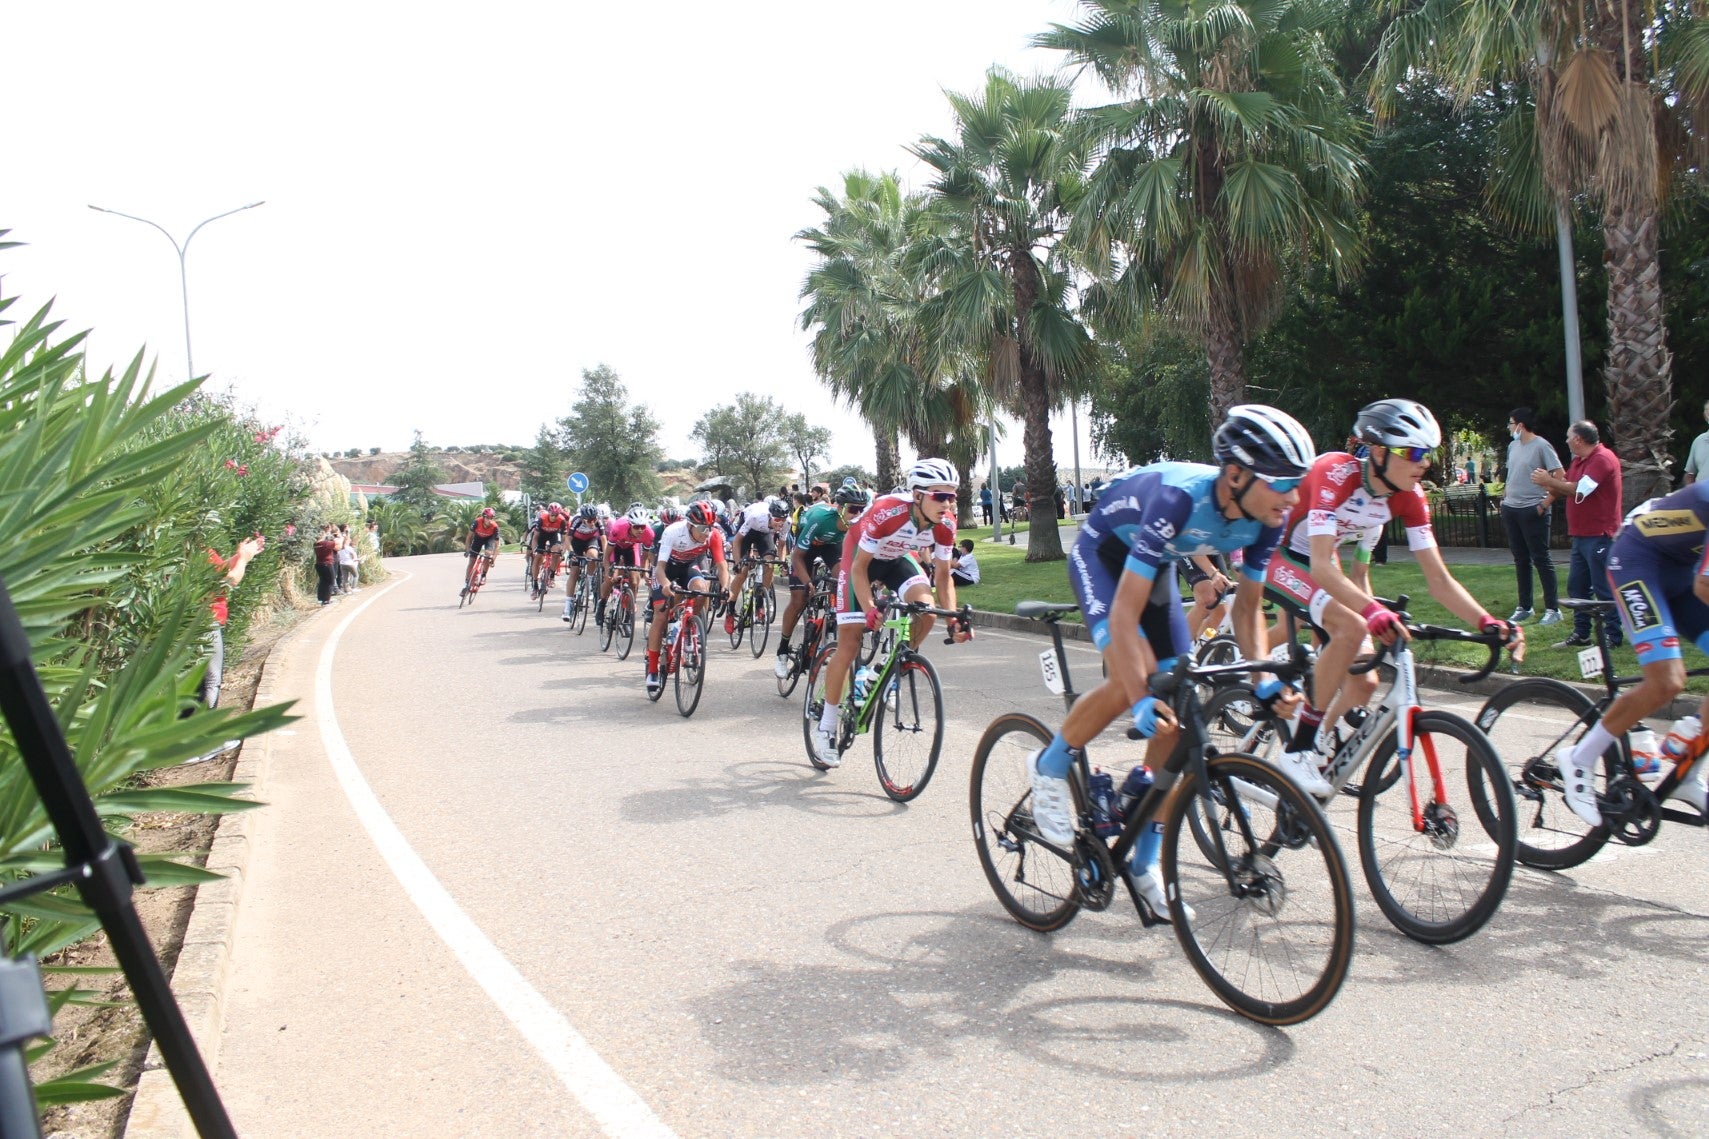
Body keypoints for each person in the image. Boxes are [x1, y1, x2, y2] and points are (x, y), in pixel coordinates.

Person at [1027, 405, 1314, 917]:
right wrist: (1139, 698)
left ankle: (1144, 861)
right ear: (1235, 475)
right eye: (1283, 482)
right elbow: (1122, 617)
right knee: (1130, 681)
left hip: (1153, 565)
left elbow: (1247, 607)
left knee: (1180, 713)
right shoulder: (1180, 500)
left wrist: (1263, 680)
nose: (1294, 496)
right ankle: (1049, 767)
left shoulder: (1269, 515)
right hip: (1103, 557)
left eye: (1299, 482)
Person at [1262, 400, 1522, 796]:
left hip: (1320, 559)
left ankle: (1314, 742)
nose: (1424, 464)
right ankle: (1296, 750)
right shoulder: (1337, 473)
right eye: (1414, 453)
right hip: (1278, 552)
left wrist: (1487, 622)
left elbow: (1438, 579)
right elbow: (1319, 566)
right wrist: (1371, 611)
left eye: (1428, 454)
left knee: (1364, 678)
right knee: (1351, 626)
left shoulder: (1409, 496)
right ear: (1379, 451)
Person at [1557, 482, 1709, 825]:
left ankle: (1687, 771)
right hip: (1638, 561)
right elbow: (1705, 586)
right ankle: (1579, 757)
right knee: (1666, 682)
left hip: (1682, 572)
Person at [811, 459, 973, 767]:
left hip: (897, 559)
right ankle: (827, 727)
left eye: (953, 495)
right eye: (940, 495)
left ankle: (882, 670)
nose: (948, 503)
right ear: (917, 495)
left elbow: (942, 576)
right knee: (850, 640)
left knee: (925, 611)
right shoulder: (888, 511)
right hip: (859, 558)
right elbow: (860, 568)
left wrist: (952, 618)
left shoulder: (946, 524)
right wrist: (870, 608)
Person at [1531, 420, 1624, 649]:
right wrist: (1548, 488)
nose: (1565, 440)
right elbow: (1565, 486)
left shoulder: (1602, 459)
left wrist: (1549, 481)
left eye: (1568, 436)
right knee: (1578, 587)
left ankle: (1613, 636)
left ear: (1578, 440)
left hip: (1600, 534)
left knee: (1602, 588)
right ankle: (1582, 634)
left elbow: (1581, 489)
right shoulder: (1579, 461)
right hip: (1582, 535)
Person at [774, 485, 866, 678]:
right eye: (853, 509)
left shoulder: (857, 525)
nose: (857, 514)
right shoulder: (820, 519)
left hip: (832, 546)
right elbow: (797, 557)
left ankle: (831, 624)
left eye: (861, 509)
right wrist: (807, 581)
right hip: (807, 548)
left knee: (844, 579)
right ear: (840, 507)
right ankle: (782, 650)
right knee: (799, 599)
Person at [647, 500, 731, 695]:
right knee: (661, 615)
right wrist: (666, 584)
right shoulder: (673, 532)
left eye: (710, 527)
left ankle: (687, 627)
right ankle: (652, 670)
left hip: (688, 566)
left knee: (701, 588)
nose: (706, 532)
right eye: (702, 528)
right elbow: (659, 568)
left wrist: (726, 587)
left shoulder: (713, 535)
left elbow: (722, 567)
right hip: (667, 569)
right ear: (690, 525)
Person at [1500, 407, 1565, 626]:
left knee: (1541, 559)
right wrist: (1505, 498)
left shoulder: (1541, 446)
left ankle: (1552, 609)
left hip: (1532, 510)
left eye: (1510, 423)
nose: (1509, 427)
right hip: (1512, 509)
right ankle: (1524, 607)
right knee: (1520, 559)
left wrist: (1543, 505)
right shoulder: (1512, 446)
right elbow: (1512, 473)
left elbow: (1560, 476)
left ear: (1520, 425)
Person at [202, 534, 264, 709]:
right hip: (207, 620)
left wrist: (240, 555)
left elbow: (219, 569)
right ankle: (203, 729)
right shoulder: (198, 552)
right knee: (211, 681)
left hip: (201, 620)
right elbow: (230, 580)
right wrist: (243, 561)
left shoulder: (194, 550)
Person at [724, 497, 789, 634]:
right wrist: (737, 563)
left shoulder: (787, 523)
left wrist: (783, 562)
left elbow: (782, 546)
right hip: (748, 530)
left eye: (783, 520)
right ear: (770, 516)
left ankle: (760, 603)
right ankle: (730, 610)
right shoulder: (756, 517)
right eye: (777, 520)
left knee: (770, 564)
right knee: (742, 572)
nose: (780, 523)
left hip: (764, 534)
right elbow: (737, 541)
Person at [591, 504, 654, 626]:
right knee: (611, 578)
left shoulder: (649, 533)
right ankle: (602, 604)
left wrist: (645, 572)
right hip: (616, 548)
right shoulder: (619, 527)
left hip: (632, 548)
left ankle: (629, 616)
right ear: (630, 525)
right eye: (637, 527)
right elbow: (606, 555)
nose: (640, 530)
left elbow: (644, 558)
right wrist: (607, 570)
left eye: (643, 526)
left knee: (635, 581)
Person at [562, 504, 605, 611]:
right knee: (574, 572)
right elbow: (568, 539)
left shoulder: (598, 522)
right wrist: (571, 552)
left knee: (593, 556)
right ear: (583, 519)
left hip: (590, 540)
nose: (592, 522)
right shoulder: (577, 521)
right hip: (577, 543)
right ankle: (568, 605)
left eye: (594, 519)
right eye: (589, 520)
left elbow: (604, 540)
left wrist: (606, 556)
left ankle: (589, 583)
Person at [528, 502, 569, 595]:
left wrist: (563, 550)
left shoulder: (561, 520)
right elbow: (535, 537)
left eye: (556, 515)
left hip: (553, 536)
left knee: (556, 552)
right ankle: (535, 585)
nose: (554, 517)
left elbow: (564, 539)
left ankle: (551, 577)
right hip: (541, 536)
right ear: (549, 512)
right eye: (552, 515)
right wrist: (535, 550)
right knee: (538, 557)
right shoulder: (542, 518)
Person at [462, 508, 502, 595]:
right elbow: (469, 537)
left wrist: (493, 559)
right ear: (483, 517)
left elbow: (496, 545)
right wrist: (467, 549)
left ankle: (483, 574)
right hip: (478, 538)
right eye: (487, 518)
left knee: (488, 554)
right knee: (471, 561)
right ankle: (466, 585)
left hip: (489, 539)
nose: (489, 520)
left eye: (491, 518)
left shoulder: (495, 527)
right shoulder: (477, 522)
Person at [1683, 399, 1709, 485]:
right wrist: (1691, 493)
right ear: (1705, 416)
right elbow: (1690, 474)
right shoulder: (1699, 441)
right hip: (1702, 497)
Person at [312, 525, 338, 605]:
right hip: (327, 564)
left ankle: (321, 598)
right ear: (322, 535)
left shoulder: (315, 544)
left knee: (323, 581)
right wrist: (335, 536)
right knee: (331, 581)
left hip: (319, 564)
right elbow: (336, 544)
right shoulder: (325, 543)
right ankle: (326, 600)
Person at [336, 526, 359, 593]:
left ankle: (346, 590)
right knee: (356, 575)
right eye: (349, 540)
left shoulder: (340, 548)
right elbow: (353, 557)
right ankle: (353, 587)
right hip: (349, 563)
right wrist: (358, 559)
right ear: (347, 541)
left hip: (342, 564)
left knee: (345, 578)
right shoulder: (349, 548)